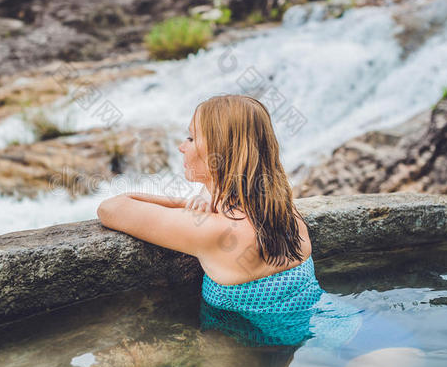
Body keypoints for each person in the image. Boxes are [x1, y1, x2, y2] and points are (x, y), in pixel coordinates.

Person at [97, 94, 318, 314]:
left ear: (218, 152)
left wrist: (185, 206)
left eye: (191, 138)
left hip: (246, 347)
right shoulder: (284, 209)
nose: (181, 147)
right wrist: (210, 196)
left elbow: (111, 208)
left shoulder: (213, 230)